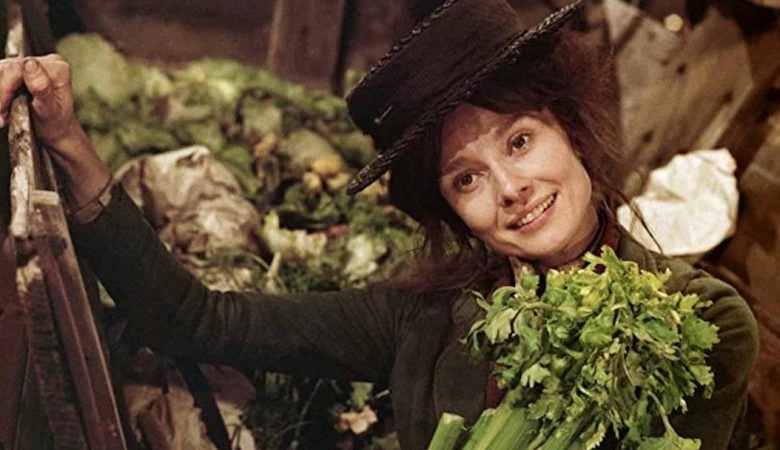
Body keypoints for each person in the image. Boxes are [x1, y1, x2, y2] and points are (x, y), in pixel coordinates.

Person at [0, 0, 759, 448]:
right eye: (466, 179)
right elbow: (194, 318)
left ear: (571, 130)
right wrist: (67, 142)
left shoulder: (698, 321)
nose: (511, 191)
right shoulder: (427, 320)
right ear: (450, 210)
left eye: (521, 141)